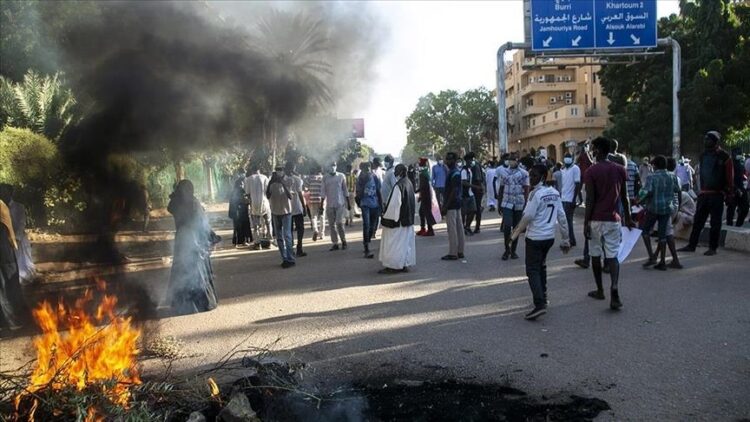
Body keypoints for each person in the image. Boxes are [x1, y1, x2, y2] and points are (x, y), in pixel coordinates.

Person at [511, 164, 570, 320]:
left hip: (535, 238)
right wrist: (565, 239)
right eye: (530, 176)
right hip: (548, 238)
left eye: (535, 176)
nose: (531, 179)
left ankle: (539, 304)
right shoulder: (555, 193)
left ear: (543, 177)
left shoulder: (534, 195)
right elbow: (562, 217)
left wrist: (515, 234)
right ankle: (543, 296)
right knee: (541, 266)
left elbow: (528, 216)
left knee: (532, 270)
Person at [582, 137, 633, 311]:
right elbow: (624, 197)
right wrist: (629, 217)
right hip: (613, 219)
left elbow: (590, 199)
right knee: (612, 256)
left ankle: (600, 290)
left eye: (592, 149)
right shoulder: (619, 169)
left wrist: (586, 223)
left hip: (596, 220)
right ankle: (615, 286)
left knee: (596, 255)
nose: (591, 151)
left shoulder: (591, 171)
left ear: (597, 150)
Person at [165, 180, 218, 315]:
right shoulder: (194, 203)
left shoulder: (176, 203)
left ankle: (181, 303)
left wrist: (175, 195)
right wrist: (212, 237)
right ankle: (203, 303)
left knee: (182, 270)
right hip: (194, 240)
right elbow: (202, 223)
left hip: (181, 241)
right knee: (197, 272)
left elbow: (170, 207)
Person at [678, 131, 734, 256]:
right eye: (705, 139)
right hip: (704, 193)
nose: (706, 141)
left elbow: (730, 176)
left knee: (715, 223)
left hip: (717, 194)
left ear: (715, 141)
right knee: (698, 221)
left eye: (708, 139)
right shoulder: (703, 155)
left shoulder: (725, 156)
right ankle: (692, 245)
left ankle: (712, 248)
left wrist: (729, 193)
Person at [639, 155, 682, 271]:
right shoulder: (672, 176)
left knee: (645, 232)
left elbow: (648, 193)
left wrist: (640, 201)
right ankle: (662, 261)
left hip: (653, 208)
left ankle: (652, 256)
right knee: (663, 236)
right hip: (667, 209)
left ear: (655, 165)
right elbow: (678, 191)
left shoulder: (651, 177)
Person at [0, 186, 31, 332]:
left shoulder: (7, 207)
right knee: (10, 284)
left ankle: (8, 322)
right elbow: (10, 233)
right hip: (5, 251)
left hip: (5, 250)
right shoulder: (2, 206)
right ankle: (14, 321)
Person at [378, 164, 417, 274]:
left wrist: (385, 218)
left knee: (393, 244)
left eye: (396, 171)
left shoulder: (398, 186)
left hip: (398, 222)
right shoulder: (408, 183)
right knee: (405, 245)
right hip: (407, 221)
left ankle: (392, 266)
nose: (394, 173)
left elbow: (394, 206)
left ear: (400, 172)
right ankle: (404, 264)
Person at [497, 153, 530, 260]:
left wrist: (526, 203)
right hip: (507, 202)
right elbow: (501, 188)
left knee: (517, 228)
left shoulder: (524, 173)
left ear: (517, 161)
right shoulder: (504, 172)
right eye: (509, 160)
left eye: (513, 160)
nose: (511, 162)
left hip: (519, 203)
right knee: (507, 226)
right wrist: (499, 203)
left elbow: (526, 188)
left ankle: (513, 251)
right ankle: (506, 249)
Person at [2, 185, 35, 285]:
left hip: (18, 238)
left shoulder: (19, 207)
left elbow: (21, 223)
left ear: (10, 193)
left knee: (23, 261)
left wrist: (16, 238)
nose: (3, 194)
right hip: (4, 240)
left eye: (5, 192)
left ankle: (27, 281)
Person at [267, 167, 296, 268]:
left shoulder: (289, 180)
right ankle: (284, 258)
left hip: (286, 212)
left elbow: (290, 196)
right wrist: (271, 182)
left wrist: (282, 183)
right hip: (275, 212)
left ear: (283, 171)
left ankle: (290, 258)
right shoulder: (272, 182)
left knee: (287, 235)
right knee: (279, 237)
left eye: (281, 170)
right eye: (277, 170)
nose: (279, 172)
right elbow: (267, 195)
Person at [356, 161, 383, 258]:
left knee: (372, 226)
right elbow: (358, 193)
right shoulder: (360, 179)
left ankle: (368, 239)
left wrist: (381, 205)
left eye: (369, 167)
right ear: (362, 169)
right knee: (366, 225)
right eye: (365, 168)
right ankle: (366, 246)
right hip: (365, 205)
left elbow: (378, 191)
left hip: (375, 204)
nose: (367, 169)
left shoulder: (375, 177)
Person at [441, 152, 465, 260]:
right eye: (447, 159)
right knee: (459, 228)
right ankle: (460, 251)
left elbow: (454, 190)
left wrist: (446, 205)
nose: (447, 161)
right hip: (457, 203)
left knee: (452, 229)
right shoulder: (454, 172)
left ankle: (453, 253)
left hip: (452, 204)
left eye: (449, 159)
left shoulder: (454, 173)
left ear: (454, 161)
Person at [321, 162, 350, 251]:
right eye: (331, 165)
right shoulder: (325, 178)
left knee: (339, 223)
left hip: (340, 203)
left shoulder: (341, 176)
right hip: (329, 204)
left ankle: (344, 241)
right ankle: (335, 243)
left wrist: (348, 203)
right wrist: (321, 205)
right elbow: (323, 192)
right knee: (331, 225)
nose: (332, 167)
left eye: (334, 165)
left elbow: (345, 190)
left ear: (336, 166)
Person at [245, 167, 272, 249]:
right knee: (268, 223)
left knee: (256, 225)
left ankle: (257, 244)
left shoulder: (248, 179)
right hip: (265, 203)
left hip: (254, 204)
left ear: (252, 171)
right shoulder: (264, 177)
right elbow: (268, 191)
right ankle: (269, 241)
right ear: (259, 170)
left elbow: (247, 193)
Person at [559, 153, 581, 247]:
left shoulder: (575, 168)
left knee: (568, 221)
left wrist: (574, 199)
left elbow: (577, 185)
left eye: (568, 157)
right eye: (565, 157)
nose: (567, 159)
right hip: (563, 198)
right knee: (564, 221)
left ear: (571, 159)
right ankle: (570, 240)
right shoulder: (563, 169)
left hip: (570, 199)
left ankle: (570, 240)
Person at [286, 162, 307, 257]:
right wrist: (304, 206)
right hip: (297, 207)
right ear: (294, 168)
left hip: (286, 208)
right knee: (300, 228)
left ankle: (291, 249)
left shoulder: (283, 180)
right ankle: (299, 247)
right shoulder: (298, 179)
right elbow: (300, 194)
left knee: (289, 230)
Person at [726, 147, 749, 227]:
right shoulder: (729, 163)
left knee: (745, 208)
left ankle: (738, 225)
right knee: (731, 210)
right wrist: (735, 189)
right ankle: (729, 226)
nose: (739, 154)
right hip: (732, 189)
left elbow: (743, 175)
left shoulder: (741, 163)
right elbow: (727, 177)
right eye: (737, 153)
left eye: (740, 153)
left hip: (742, 188)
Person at [228, 178, 252, 248]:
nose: (242, 185)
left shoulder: (233, 192)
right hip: (241, 212)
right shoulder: (242, 191)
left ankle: (236, 242)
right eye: (241, 184)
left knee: (236, 228)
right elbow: (245, 201)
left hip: (235, 213)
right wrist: (248, 201)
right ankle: (243, 241)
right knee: (243, 227)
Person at [306, 167, 326, 242]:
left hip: (312, 199)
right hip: (321, 200)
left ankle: (315, 230)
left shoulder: (309, 178)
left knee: (313, 217)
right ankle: (322, 234)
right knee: (322, 217)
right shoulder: (323, 178)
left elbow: (306, 188)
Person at [416, 158, 436, 236]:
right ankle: (423, 228)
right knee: (422, 212)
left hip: (426, 196)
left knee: (426, 212)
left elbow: (424, 186)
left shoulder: (423, 174)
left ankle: (430, 230)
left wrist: (419, 194)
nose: (418, 165)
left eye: (419, 164)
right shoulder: (425, 172)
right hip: (426, 195)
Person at [460, 153, 477, 236]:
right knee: (463, 213)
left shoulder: (470, 170)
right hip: (465, 195)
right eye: (471, 160)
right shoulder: (464, 170)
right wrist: (475, 186)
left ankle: (467, 226)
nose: (472, 161)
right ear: (467, 161)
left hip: (470, 194)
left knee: (473, 210)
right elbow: (464, 182)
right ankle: (462, 228)